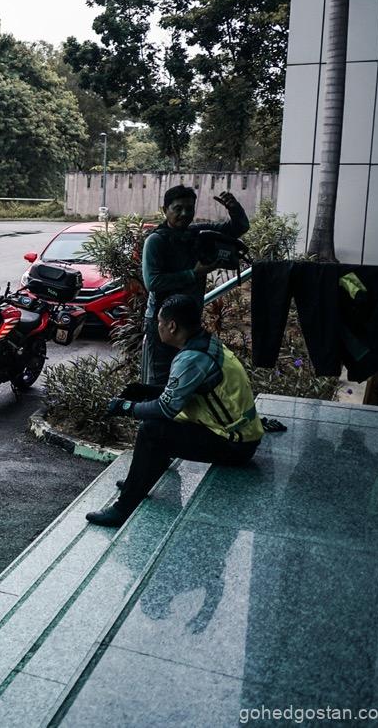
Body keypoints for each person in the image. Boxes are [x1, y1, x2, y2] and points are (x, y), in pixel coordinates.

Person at [87, 294, 263, 527]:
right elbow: (186, 390)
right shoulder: (205, 343)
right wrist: (145, 390)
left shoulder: (191, 358)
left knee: (152, 430)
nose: (157, 326)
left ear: (172, 326)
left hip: (234, 445)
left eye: (159, 322)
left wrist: (126, 407)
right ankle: (141, 480)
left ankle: (123, 508)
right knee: (157, 426)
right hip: (238, 436)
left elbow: (166, 408)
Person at [141, 186, 249, 385]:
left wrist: (234, 208)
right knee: (160, 381)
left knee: (185, 378)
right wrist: (194, 274)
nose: (184, 214)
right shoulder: (156, 241)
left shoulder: (197, 233)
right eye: (178, 208)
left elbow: (238, 228)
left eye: (189, 209)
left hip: (190, 322)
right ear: (165, 210)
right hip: (163, 323)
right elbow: (153, 282)